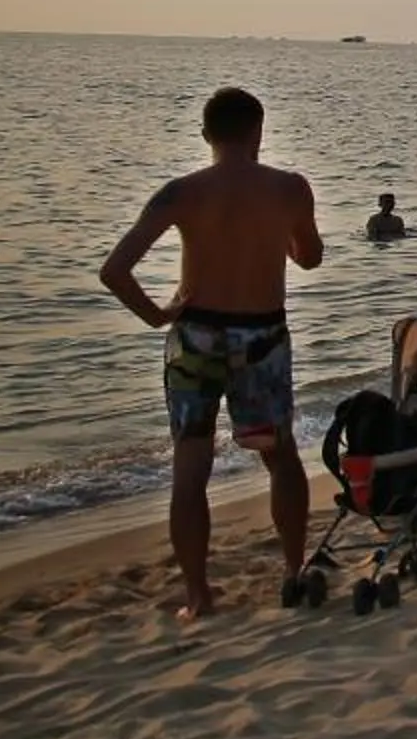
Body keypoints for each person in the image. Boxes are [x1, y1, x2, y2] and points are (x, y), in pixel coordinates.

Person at [98, 85, 324, 622]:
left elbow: (114, 271)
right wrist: (285, 237)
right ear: (258, 133)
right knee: (280, 457)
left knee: (190, 467)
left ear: (205, 136)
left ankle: (198, 596)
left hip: (195, 338)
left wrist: (158, 314)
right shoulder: (290, 188)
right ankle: (293, 572)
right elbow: (310, 258)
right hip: (262, 338)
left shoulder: (180, 193)